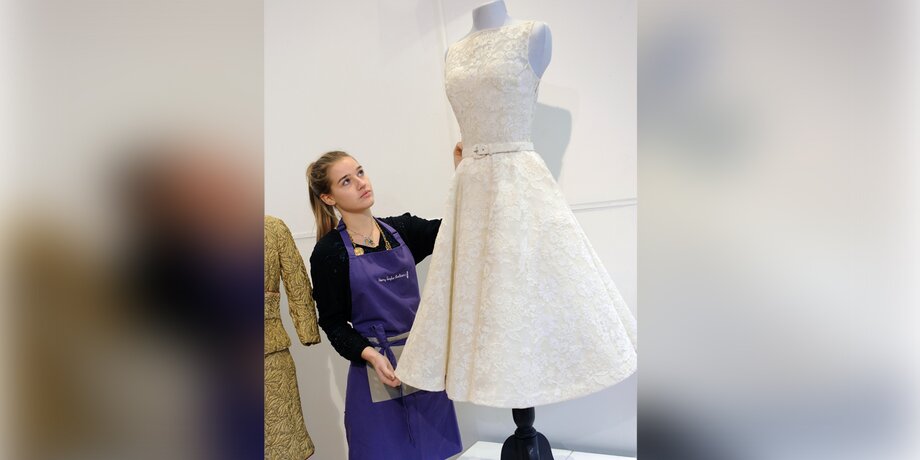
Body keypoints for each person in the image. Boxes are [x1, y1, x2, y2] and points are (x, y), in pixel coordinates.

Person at [306, 145, 464, 460]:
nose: (361, 183)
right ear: (328, 198)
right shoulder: (329, 253)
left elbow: (458, 230)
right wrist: (372, 356)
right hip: (376, 371)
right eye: (346, 181)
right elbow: (333, 323)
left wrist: (463, 173)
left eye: (360, 173)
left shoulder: (402, 230)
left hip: (422, 367)